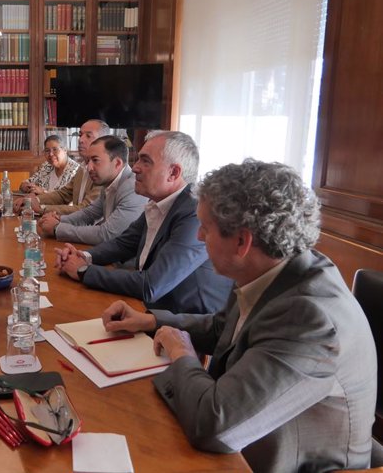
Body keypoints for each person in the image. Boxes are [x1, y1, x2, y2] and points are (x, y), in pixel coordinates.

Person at [101, 159, 376, 472]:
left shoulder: (310, 319)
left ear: (243, 241)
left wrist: (181, 354)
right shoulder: (273, 267)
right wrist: (151, 321)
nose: (200, 237)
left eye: (205, 227)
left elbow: (215, 426)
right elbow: (224, 328)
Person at [56, 130, 232, 314]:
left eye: (145, 161)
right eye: (138, 159)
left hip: (184, 325)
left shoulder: (194, 213)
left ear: (173, 172)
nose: (135, 167)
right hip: (150, 310)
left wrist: (84, 271)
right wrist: (84, 257)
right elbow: (124, 243)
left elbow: (151, 285)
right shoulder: (157, 202)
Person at [38, 135, 147, 245]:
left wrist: (57, 228)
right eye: (89, 161)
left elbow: (106, 234)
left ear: (117, 163)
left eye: (95, 160)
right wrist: (59, 219)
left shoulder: (132, 188)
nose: (89, 167)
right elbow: (88, 214)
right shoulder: (109, 182)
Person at [13, 119, 109, 216]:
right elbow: (63, 194)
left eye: (88, 136)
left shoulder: (104, 172)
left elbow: (84, 210)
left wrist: (41, 208)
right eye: (80, 135)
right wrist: (31, 200)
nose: (80, 140)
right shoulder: (83, 167)